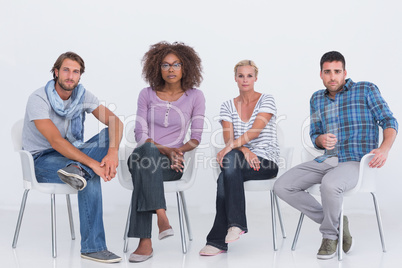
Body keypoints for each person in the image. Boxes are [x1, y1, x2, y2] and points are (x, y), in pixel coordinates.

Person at [274, 51, 398, 260]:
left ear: (345, 72)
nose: (333, 77)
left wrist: (384, 148)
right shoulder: (316, 98)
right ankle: (338, 221)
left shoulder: (365, 89)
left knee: (329, 184)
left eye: (337, 71)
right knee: (282, 186)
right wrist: (320, 140)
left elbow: (389, 121)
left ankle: (330, 235)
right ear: (321, 74)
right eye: (328, 72)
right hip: (328, 159)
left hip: (356, 160)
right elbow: (314, 133)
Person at [22, 52, 123, 263]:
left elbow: (115, 122)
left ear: (79, 76)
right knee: (90, 176)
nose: (70, 76)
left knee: (108, 136)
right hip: (41, 160)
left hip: (72, 153)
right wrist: (94, 164)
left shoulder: (82, 96)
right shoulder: (38, 98)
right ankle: (93, 248)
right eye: (66, 70)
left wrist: (112, 153)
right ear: (56, 72)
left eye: (75, 72)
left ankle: (77, 170)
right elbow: (56, 142)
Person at [126, 41, 205, 263]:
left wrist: (176, 152)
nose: (171, 69)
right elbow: (140, 132)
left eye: (176, 64)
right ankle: (161, 214)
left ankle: (145, 243)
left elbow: (196, 138)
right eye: (165, 65)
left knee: (144, 174)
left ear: (186, 67)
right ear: (156, 68)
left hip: (172, 164)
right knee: (148, 151)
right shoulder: (146, 94)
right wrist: (164, 149)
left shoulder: (196, 97)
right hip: (142, 154)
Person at [199, 60, 280, 256]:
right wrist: (244, 150)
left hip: (265, 161)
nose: (245, 80)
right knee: (229, 167)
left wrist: (238, 148)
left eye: (249, 76)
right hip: (239, 159)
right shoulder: (227, 105)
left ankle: (218, 240)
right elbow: (229, 137)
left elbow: (255, 131)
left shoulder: (267, 100)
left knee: (227, 170)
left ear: (256, 78)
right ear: (235, 78)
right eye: (241, 76)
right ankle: (235, 226)